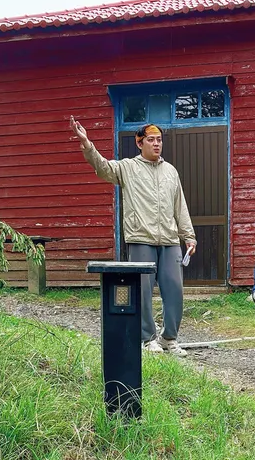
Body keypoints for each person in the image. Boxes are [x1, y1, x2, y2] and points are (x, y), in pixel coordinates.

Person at [70, 117, 196, 356]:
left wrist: (188, 236)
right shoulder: (128, 168)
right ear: (140, 143)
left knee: (175, 290)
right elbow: (103, 167)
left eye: (159, 140)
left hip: (170, 240)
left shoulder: (171, 171)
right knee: (143, 292)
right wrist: (87, 144)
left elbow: (180, 205)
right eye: (151, 140)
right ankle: (148, 339)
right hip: (141, 238)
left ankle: (170, 338)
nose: (157, 144)